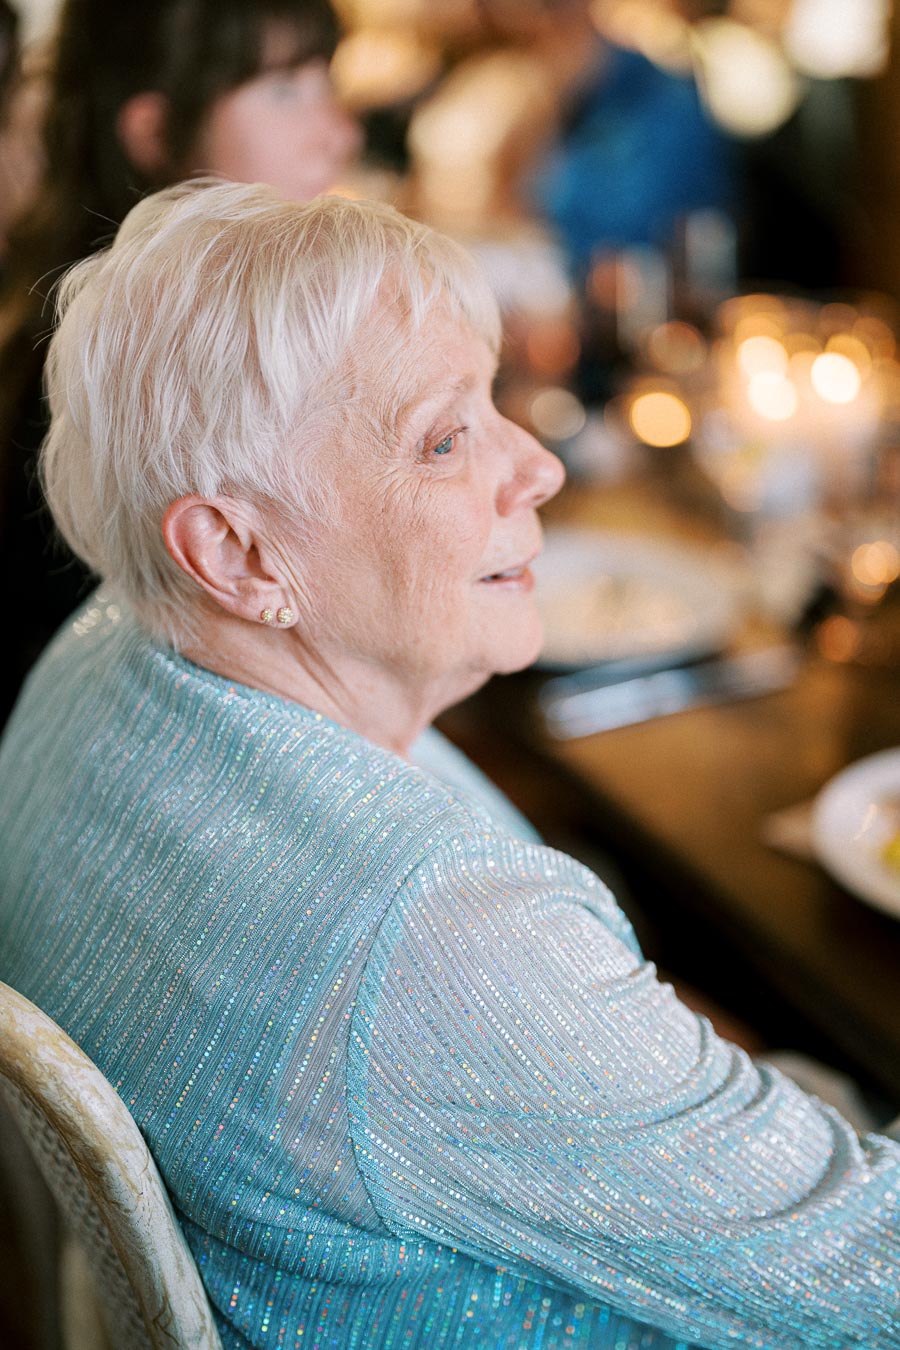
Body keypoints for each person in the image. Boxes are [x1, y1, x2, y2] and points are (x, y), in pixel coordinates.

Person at [1, 180, 899, 1350]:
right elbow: (867, 1269)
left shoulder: (91, 653)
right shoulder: (435, 933)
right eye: (445, 437)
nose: (537, 467)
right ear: (235, 550)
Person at [0, 0, 360, 725]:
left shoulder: (206, 313)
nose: (339, 132)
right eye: (286, 90)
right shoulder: (111, 373)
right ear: (156, 131)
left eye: (326, 84)